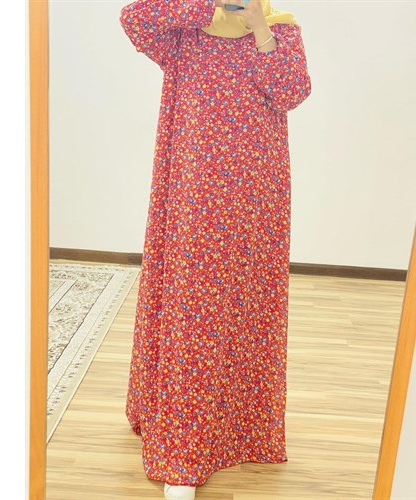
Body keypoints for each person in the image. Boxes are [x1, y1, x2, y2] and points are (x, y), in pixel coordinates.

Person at [119, 0, 311, 498]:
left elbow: (292, 92)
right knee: (192, 306)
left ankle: (239, 431)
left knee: (246, 303)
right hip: (193, 188)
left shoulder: (281, 31)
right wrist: (204, 7)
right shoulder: (190, 31)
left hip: (254, 193)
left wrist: (260, 29)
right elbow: (134, 17)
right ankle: (181, 448)